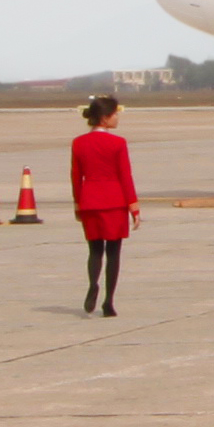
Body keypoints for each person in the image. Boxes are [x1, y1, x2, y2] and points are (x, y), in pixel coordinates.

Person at [70, 95, 138, 316]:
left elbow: (75, 176)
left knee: (95, 250)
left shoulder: (79, 143)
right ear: (105, 118)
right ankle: (108, 301)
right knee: (114, 252)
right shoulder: (118, 143)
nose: (117, 118)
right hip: (114, 201)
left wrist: (78, 204)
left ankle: (93, 284)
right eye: (115, 114)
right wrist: (133, 206)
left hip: (89, 200)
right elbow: (125, 176)